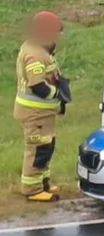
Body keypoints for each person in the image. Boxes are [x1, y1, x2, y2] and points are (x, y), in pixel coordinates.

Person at [14, 11, 68, 202]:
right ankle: (32, 189)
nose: (56, 36)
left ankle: (43, 182)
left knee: (47, 146)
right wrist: (58, 94)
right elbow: (37, 86)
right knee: (38, 150)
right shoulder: (34, 54)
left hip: (43, 113)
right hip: (35, 113)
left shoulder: (41, 49)